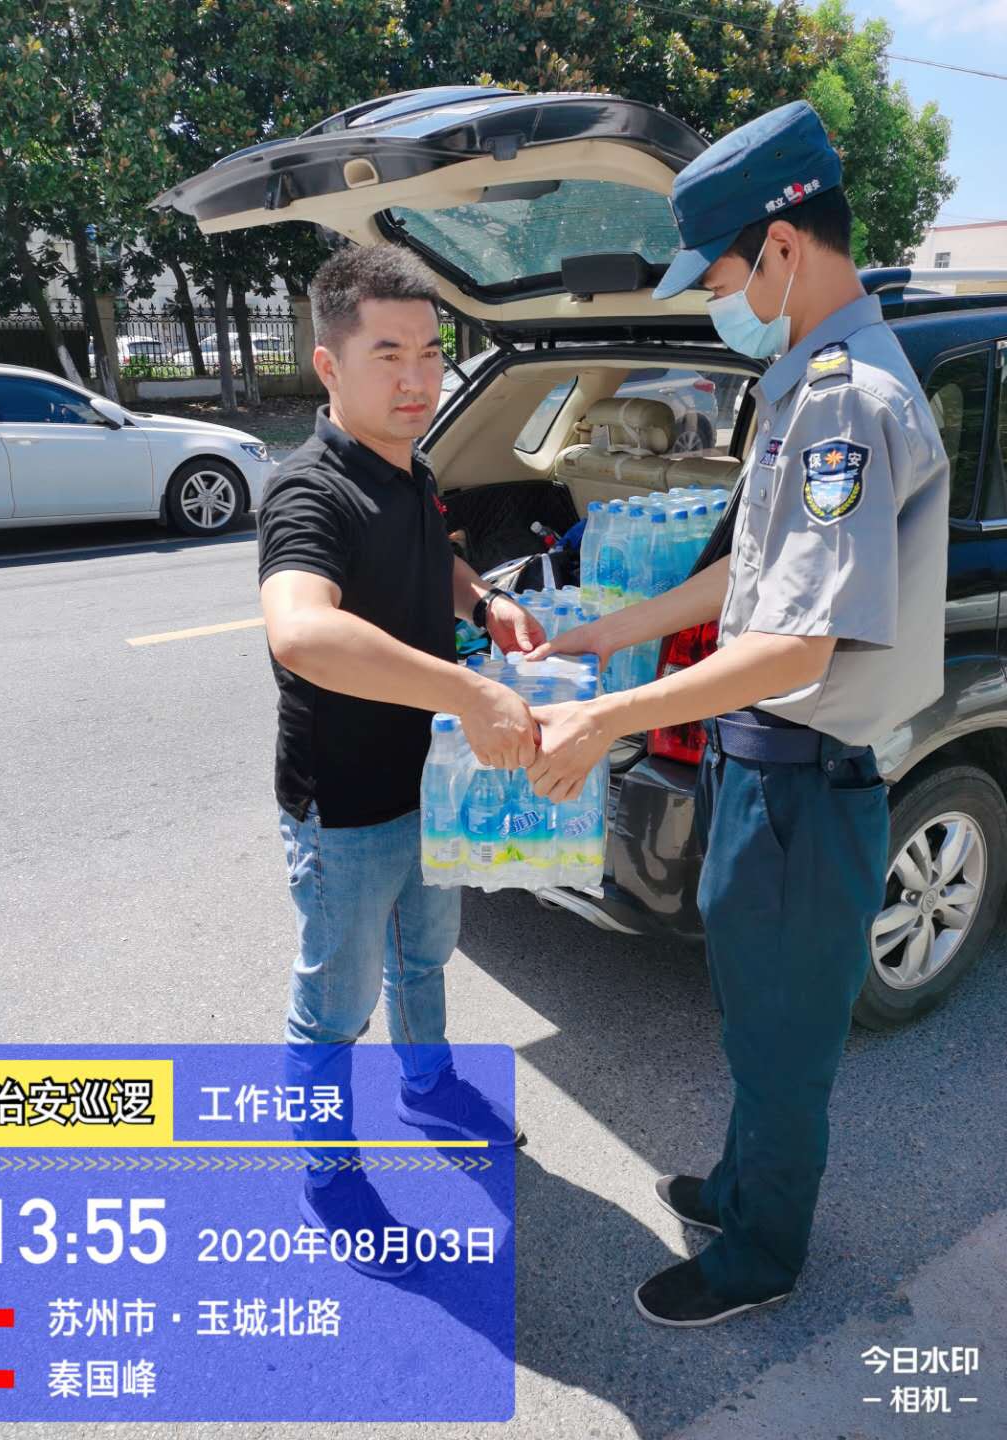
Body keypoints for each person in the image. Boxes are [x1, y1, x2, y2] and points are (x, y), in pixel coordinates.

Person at [523, 101, 949, 1325]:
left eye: (716, 277)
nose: (717, 299)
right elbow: (751, 578)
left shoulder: (846, 400)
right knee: (754, 1019)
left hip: (807, 785)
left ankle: (764, 1254)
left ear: (781, 248)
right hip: (767, 776)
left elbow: (799, 641)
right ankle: (739, 1186)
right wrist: (608, 631)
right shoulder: (806, 380)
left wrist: (610, 717)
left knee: (783, 1043)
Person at [258, 244, 540, 1277]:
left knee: (426, 954)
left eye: (430, 353)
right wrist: (469, 691)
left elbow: (438, 557)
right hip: (343, 806)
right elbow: (301, 630)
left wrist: (486, 601)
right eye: (389, 354)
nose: (418, 378)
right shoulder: (308, 491)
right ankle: (328, 1171)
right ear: (329, 365)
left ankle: (428, 1085)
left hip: (429, 784)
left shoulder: (410, 468)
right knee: (335, 1004)